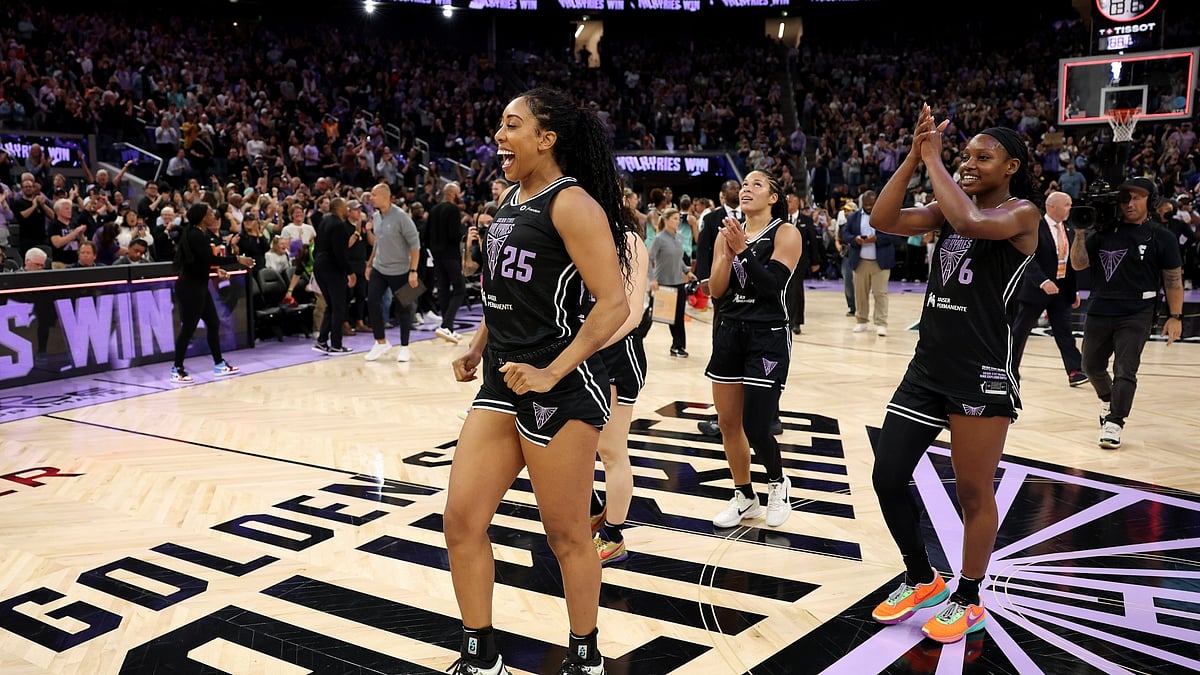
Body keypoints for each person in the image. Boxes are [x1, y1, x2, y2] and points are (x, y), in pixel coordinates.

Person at [445, 87, 633, 675]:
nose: (499, 135)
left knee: (567, 534)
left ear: (546, 139)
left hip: (563, 383)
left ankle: (586, 657)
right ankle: (482, 657)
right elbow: (500, 293)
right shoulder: (509, 199)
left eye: (512, 124)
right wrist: (478, 345)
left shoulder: (572, 204)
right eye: (499, 124)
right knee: (461, 520)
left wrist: (553, 369)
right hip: (503, 376)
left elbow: (614, 304)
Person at [867, 107, 1040, 644]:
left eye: (981, 158)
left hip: (981, 375)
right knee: (887, 476)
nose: (968, 165)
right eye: (964, 156)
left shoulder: (1023, 213)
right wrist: (915, 158)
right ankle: (921, 578)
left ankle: (969, 596)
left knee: (972, 493)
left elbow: (971, 222)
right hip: (928, 368)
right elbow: (882, 219)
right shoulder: (947, 207)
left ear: (1011, 166)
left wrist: (937, 162)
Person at [706, 170, 802, 530]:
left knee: (757, 424)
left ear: (774, 197)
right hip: (729, 331)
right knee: (728, 423)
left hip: (767, 334)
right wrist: (729, 253)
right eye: (744, 184)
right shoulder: (728, 233)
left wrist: (744, 251)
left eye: (756, 184)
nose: (746, 188)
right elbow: (716, 289)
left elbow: (771, 285)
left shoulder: (786, 233)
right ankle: (744, 495)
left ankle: (778, 484)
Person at [1069, 177, 1184, 450]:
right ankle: (1108, 399)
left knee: (1125, 368)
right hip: (1100, 307)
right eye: (1125, 198)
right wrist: (1081, 232)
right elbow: (1079, 264)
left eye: (1137, 197)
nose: (1130, 203)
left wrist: (1175, 316)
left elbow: (1173, 279)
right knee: (1091, 366)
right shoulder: (1105, 232)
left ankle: (1115, 422)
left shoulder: (1161, 236)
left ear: (1150, 201)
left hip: (1137, 311)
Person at [587, 218, 649, 566]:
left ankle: (613, 535)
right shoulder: (576, 231)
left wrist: (582, 347)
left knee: (610, 450)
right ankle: (596, 512)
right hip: (582, 352)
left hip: (616, 354)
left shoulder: (628, 240)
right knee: (581, 446)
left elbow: (631, 313)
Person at [170, 203, 255, 383]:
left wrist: (215, 271)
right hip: (190, 287)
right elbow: (209, 259)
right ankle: (177, 369)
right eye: (209, 213)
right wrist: (238, 259)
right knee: (189, 328)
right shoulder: (195, 235)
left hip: (199, 285)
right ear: (202, 217)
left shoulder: (197, 234)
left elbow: (198, 263)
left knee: (214, 322)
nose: (213, 216)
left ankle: (219, 364)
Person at [1011, 190, 1086, 385]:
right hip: (1035, 290)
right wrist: (1042, 281)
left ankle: (1075, 371)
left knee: (1065, 332)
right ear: (1052, 206)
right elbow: (1027, 257)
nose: (1071, 208)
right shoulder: (1035, 227)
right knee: (1020, 332)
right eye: (1067, 204)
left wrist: (1074, 290)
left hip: (1061, 290)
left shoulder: (1069, 230)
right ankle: (1009, 369)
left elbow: (1071, 263)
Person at [363, 183, 422, 363]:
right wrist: (370, 263)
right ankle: (380, 341)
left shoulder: (402, 217)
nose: (370, 198)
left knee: (404, 308)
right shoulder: (376, 217)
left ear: (385, 196)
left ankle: (404, 347)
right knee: (372, 301)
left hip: (403, 270)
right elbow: (378, 242)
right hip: (380, 268)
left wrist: (413, 271)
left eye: (373, 195)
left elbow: (415, 245)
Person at [842, 190, 899, 337]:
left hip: (880, 262)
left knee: (880, 294)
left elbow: (894, 235)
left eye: (871, 204)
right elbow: (845, 233)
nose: (868, 207)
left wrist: (877, 239)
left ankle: (881, 323)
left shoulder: (886, 216)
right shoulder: (854, 217)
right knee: (860, 294)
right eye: (866, 204)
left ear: (877, 202)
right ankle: (861, 321)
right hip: (860, 261)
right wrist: (855, 239)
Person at [647, 207, 696, 357]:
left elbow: (679, 259)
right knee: (651, 315)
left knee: (678, 317)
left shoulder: (679, 237)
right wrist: (652, 279)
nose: (678, 221)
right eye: (674, 218)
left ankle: (678, 346)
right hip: (662, 283)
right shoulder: (659, 239)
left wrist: (687, 271)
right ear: (666, 220)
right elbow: (649, 259)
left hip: (678, 282)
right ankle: (636, 336)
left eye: (679, 219)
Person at [312, 197, 357, 354]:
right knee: (338, 307)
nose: (348, 210)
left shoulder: (324, 221)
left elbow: (316, 248)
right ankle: (336, 345)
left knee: (331, 306)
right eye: (346, 207)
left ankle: (321, 341)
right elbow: (340, 253)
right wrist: (350, 272)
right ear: (339, 208)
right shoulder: (339, 225)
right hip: (332, 268)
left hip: (319, 265)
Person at [427, 181, 467, 343]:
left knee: (443, 289)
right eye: (458, 193)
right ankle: (447, 324)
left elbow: (426, 234)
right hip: (450, 255)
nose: (460, 196)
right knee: (459, 289)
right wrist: (463, 230)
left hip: (436, 255)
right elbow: (454, 235)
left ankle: (447, 328)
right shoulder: (453, 209)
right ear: (452, 194)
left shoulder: (434, 209)